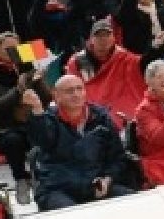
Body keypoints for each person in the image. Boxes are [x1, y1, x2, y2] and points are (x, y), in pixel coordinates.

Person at [21, 74, 134, 210]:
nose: (76, 94)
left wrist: (107, 179)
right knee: (73, 215)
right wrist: (38, 112)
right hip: (57, 188)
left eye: (79, 89)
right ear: (56, 96)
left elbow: (117, 158)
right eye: (69, 91)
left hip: (96, 185)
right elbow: (42, 140)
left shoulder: (102, 118)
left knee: (133, 203)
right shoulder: (47, 120)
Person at [0, 33, 50, 205]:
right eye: (6, 48)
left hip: (33, 121)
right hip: (6, 126)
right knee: (13, 140)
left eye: (15, 47)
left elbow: (47, 99)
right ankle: (21, 180)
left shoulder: (28, 67)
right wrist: (17, 90)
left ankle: (44, 178)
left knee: (45, 135)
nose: (11, 51)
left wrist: (37, 81)